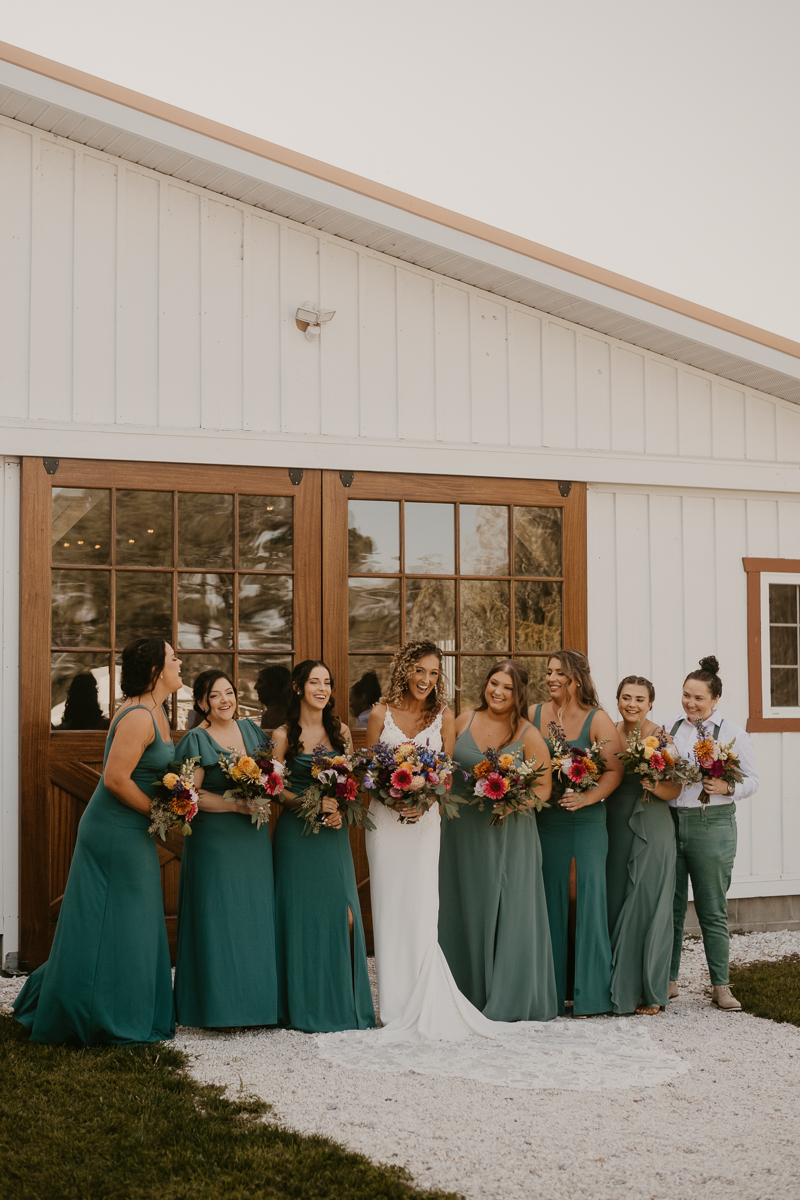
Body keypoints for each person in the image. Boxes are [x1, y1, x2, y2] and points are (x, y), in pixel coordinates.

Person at [14, 638, 181, 1045]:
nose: (181, 662)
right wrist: (159, 814)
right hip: (112, 831)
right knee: (111, 922)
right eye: (174, 658)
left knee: (133, 920)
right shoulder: (139, 716)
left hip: (131, 830)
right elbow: (115, 779)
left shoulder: (157, 710)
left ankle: (126, 1005)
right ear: (158, 671)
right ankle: (91, 1013)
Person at [438, 660, 557, 1021]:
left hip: (510, 833)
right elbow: (444, 767)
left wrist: (514, 802)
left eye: (506, 687)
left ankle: (509, 995)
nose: (498, 692)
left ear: (518, 693)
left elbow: (543, 787)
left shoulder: (528, 734)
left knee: (509, 907)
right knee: (464, 902)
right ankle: (461, 992)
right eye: (493, 683)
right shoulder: (463, 721)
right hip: (461, 832)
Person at [271, 661, 374, 1033]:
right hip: (296, 836)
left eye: (327, 682)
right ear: (298, 687)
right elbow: (272, 788)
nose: (322, 688)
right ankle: (301, 1006)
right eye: (314, 682)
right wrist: (308, 803)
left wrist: (341, 807)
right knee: (299, 916)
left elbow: (350, 782)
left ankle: (342, 1003)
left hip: (332, 833)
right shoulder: (282, 735)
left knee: (342, 915)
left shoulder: (341, 731)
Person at [173, 670, 278, 1029]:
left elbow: (272, 773)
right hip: (214, 842)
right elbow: (190, 796)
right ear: (202, 702)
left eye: (229, 692)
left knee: (253, 915)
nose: (224, 700)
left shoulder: (251, 731)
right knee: (219, 919)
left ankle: (259, 1007)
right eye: (214, 695)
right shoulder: (195, 740)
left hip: (251, 840)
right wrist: (236, 805)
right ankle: (219, 1010)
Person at [530, 650, 623, 1016]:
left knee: (583, 896)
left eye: (559, 673)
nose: (551, 678)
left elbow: (614, 771)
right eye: (548, 672)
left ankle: (590, 993)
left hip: (586, 822)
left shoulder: (596, 719)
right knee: (551, 896)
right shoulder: (535, 715)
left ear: (576, 679)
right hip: (548, 821)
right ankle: (551, 992)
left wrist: (586, 797)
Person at [666, 656, 758, 1011]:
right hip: (671, 824)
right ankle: (669, 980)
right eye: (686, 695)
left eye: (698, 698)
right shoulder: (668, 728)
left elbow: (753, 781)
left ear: (715, 699)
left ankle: (720, 985)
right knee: (669, 906)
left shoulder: (733, 733)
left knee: (712, 908)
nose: (690, 703)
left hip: (713, 824)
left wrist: (725, 786)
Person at [606, 676, 679, 1015]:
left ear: (650, 703)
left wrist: (654, 784)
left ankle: (651, 991)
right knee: (617, 899)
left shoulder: (662, 737)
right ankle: (616, 986)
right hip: (614, 823)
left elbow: (675, 789)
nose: (632, 703)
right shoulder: (608, 731)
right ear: (618, 699)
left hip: (652, 821)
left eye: (639, 698)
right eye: (625, 697)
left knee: (647, 903)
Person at [255, 664, 291, 732]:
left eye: (260, 682)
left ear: (274, 685)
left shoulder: (274, 716)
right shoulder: (271, 714)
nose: (255, 687)